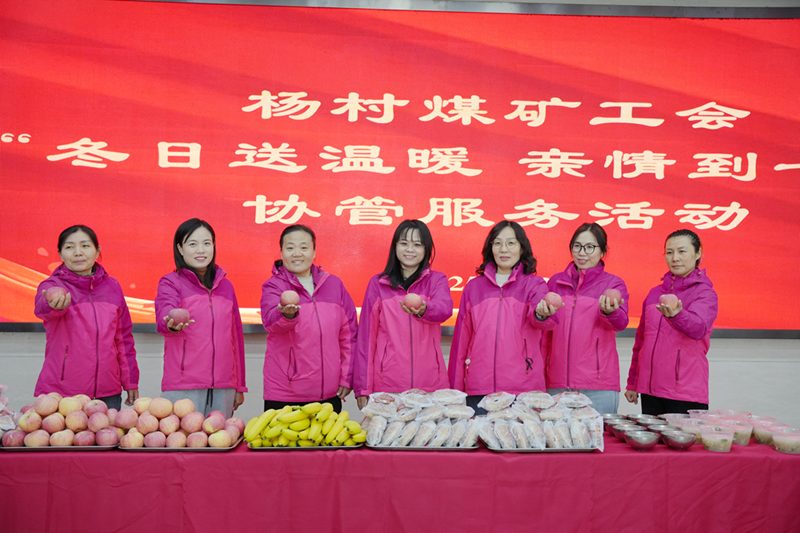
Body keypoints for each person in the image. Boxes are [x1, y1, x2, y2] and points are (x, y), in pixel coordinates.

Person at [448, 220, 558, 413]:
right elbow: (461, 343)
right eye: (497, 243)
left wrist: (541, 314)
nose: (503, 249)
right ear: (490, 248)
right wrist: (455, 393)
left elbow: (542, 319)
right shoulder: (474, 287)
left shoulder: (535, 285)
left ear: (522, 248)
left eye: (511, 243)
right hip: (479, 389)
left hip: (523, 391)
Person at [34, 225, 139, 410]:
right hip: (63, 392)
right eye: (69, 247)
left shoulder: (113, 287)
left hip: (108, 391)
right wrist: (53, 305)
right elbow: (42, 309)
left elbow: (123, 338)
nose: (78, 252)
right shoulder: (52, 286)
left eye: (85, 246)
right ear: (60, 254)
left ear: (97, 251)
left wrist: (130, 380)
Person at [353, 220, 453, 410]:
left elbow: (444, 309)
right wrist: (363, 387)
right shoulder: (378, 284)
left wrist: (423, 309)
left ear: (426, 249)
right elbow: (366, 338)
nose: (410, 249)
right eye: (404, 243)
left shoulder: (437, 280)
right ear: (395, 246)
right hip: (388, 387)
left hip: (431, 387)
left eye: (417, 244)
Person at [260, 225, 357, 413]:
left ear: (314, 252)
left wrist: (347, 377)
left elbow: (349, 335)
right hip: (285, 395)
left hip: (328, 395)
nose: (297, 253)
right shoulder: (273, 286)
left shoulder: (334, 284)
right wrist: (287, 315)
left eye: (304, 247)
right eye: (290, 248)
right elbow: (270, 323)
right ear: (281, 252)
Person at [156, 219, 246, 418]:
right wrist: (171, 324)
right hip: (183, 386)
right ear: (180, 248)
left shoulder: (226, 286)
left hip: (223, 386)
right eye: (192, 243)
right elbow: (164, 315)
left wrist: (239, 384)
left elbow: (236, 337)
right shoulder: (171, 282)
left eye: (206, 243)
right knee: (182, 437)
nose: (201, 250)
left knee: (220, 436)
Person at [624, 229, 718, 415]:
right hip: (650, 391)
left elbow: (698, 329)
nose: (675, 258)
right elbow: (641, 341)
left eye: (682, 251)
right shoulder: (654, 293)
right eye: (669, 252)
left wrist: (677, 315)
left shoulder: (705, 293)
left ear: (698, 253)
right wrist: (633, 382)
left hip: (684, 392)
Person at [544, 223, 629, 414]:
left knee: (600, 434)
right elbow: (545, 334)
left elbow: (621, 323)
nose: (582, 253)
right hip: (557, 385)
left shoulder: (614, 284)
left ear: (603, 251)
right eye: (577, 246)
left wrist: (610, 312)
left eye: (590, 247)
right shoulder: (555, 282)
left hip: (598, 387)